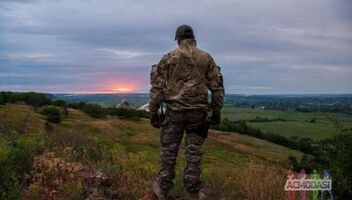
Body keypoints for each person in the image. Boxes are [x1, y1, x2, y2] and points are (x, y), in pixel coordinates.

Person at [149, 24, 224, 200]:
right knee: (193, 153)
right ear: (193, 38)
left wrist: (153, 113)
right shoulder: (206, 58)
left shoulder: (168, 58)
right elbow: (217, 88)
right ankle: (194, 191)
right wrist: (217, 113)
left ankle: (162, 189)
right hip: (198, 114)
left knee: (168, 152)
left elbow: (157, 89)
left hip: (174, 112)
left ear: (178, 39)